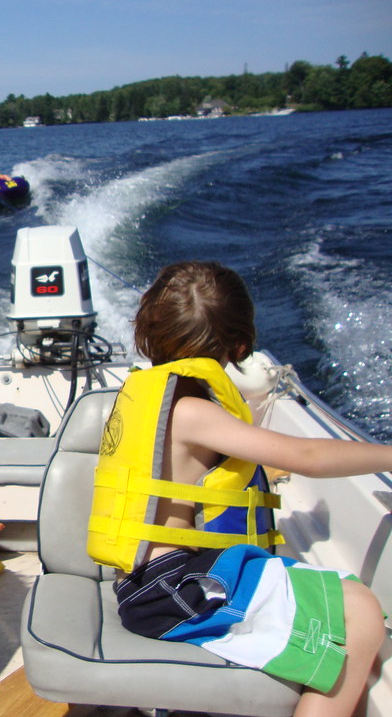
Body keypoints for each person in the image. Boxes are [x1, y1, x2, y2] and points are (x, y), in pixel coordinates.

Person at [86, 261, 390, 717]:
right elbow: (307, 456)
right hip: (177, 592)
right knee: (360, 611)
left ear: (148, 331)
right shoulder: (194, 412)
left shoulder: (145, 399)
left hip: (147, 585)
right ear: (241, 345)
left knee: (331, 598)